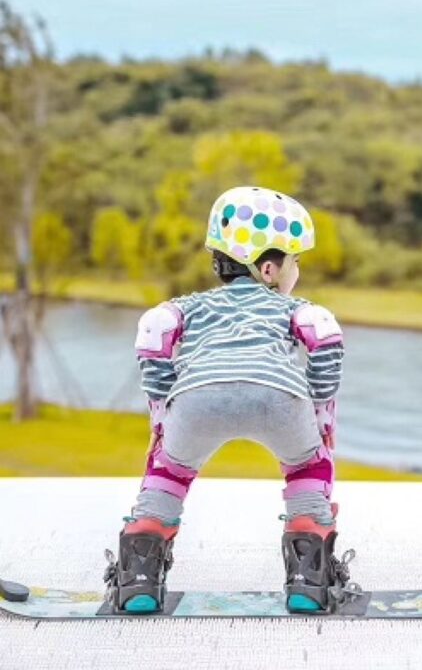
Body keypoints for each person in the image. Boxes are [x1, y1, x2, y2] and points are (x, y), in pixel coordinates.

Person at [104, 186, 347, 615]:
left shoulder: (191, 306)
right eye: (296, 262)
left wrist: (163, 408)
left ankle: (137, 579)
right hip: (280, 398)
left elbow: (154, 329)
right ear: (269, 269)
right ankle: (308, 582)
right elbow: (324, 332)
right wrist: (318, 405)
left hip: (197, 399)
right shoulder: (293, 308)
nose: (297, 272)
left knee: (169, 472)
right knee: (307, 468)